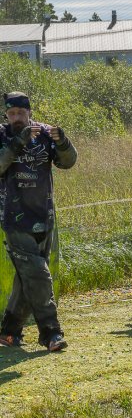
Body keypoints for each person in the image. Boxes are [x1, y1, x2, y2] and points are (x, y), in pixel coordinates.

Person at [0, 92, 77, 352]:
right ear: (6, 115)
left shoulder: (45, 133)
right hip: (13, 216)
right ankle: (51, 332)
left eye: (21, 113)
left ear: (29, 112)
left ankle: (9, 333)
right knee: (39, 274)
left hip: (44, 215)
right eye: (11, 114)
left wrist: (65, 143)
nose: (16, 118)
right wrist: (16, 144)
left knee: (27, 277)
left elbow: (68, 162)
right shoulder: (2, 135)